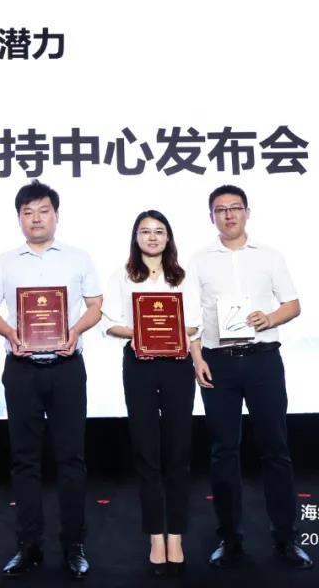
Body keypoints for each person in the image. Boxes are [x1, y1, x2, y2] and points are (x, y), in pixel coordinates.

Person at [0, 180, 103, 579]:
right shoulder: (5, 262)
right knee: (24, 459)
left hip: (67, 368)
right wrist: (10, 332)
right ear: (19, 218)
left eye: (43, 211)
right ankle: (28, 545)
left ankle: (74, 545)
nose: (36, 219)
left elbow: (96, 305)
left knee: (71, 458)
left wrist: (76, 330)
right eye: (28, 212)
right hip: (22, 369)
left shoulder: (78, 258)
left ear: (56, 215)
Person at [188, 184, 314, 570]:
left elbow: (293, 304)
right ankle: (230, 538)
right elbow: (190, 318)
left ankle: (286, 538)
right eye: (220, 209)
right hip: (218, 364)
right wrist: (197, 359)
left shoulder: (270, 256)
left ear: (247, 212)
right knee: (223, 452)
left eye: (235, 208)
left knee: (275, 450)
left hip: (263, 361)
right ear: (211, 216)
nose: (229, 215)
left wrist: (269, 318)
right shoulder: (198, 262)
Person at [101, 210, 201, 577]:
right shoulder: (123, 276)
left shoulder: (182, 276)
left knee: (178, 452)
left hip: (176, 365)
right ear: (136, 237)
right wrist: (142, 331)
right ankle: (155, 537)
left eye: (159, 231)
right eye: (145, 231)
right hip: (140, 364)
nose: (153, 237)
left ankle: (176, 536)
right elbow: (110, 324)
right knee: (147, 453)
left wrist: (170, 330)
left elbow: (194, 325)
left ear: (168, 237)